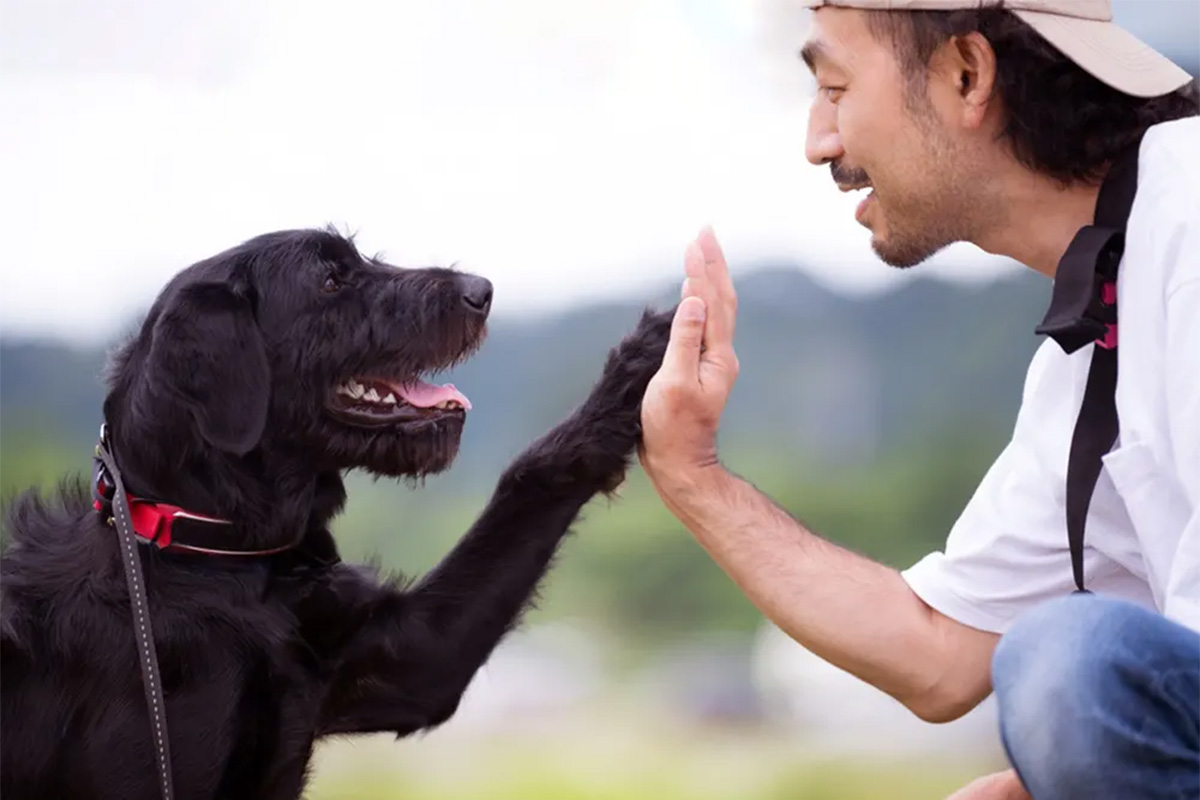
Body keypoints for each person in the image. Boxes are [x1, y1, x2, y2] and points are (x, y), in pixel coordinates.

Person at [637, 1, 1199, 798]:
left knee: (1071, 660)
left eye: (835, 86)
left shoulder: (1191, 221)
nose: (816, 142)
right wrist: (692, 471)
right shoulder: (1096, 337)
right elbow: (941, 651)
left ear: (967, 75)